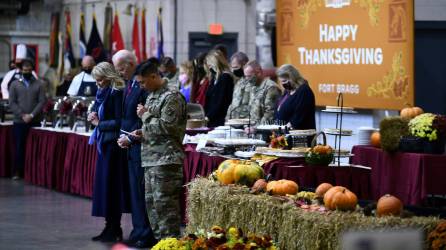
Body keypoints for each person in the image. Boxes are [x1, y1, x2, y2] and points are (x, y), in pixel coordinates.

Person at [130, 61, 186, 240]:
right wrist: (141, 132)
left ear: (154, 76)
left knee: (166, 211)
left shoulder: (172, 96)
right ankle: (161, 244)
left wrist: (145, 116)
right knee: (153, 208)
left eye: (143, 82)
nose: (141, 86)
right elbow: (153, 127)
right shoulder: (152, 95)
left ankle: (170, 244)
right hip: (151, 159)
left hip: (166, 161)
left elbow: (168, 127)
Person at [113, 50, 157, 248]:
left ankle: (145, 233)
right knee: (134, 194)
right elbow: (126, 116)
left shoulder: (142, 87)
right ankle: (137, 230)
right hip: (130, 143)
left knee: (141, 194)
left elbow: (143, 119)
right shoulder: (129, 85)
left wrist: (130, 138)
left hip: (140, 145)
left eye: (121, 68)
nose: (119, 72)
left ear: (131, 64)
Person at [88, 62, 129, 242]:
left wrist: (99, 124)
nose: (97, 83)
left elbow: (121, 122)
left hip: (113, 146)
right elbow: (99, 112)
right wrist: (92, 115)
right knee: (105, 188)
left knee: (112, 188)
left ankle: (114, 227)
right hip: (104, 144)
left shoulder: (117, 92)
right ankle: (109, 226)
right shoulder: (102, 93)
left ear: (108, 77)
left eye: (100, 80)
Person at [8, 58, 45, 179]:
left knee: (35, 148)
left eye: (29, 70)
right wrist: (22, 115)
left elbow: (41, 101)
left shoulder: (39, 84)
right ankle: (18, 171)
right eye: (24, 70)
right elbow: (12, 102)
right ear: (20, 70)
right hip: (19, 121)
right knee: (19, 147)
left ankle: (34, 172)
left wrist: (32, 115)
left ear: (32, 70)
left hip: (35, 121)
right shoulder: (14, 84)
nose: (27, 72)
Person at [275, 64, 316, 129]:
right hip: (282, 134)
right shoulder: (287, 91)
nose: (283, 84)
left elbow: (300, 115)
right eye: (281, 82)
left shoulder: (304, 91)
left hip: (299, 136)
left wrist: (285, 128)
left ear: (293, 77)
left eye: (285, 81)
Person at [244, 60, 281, 125]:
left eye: (249, 76)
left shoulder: (271, 87)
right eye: (245, 76)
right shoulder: (253, 86)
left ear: (259, 73)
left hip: (266, 131)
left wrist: (256, 128)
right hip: (253, 130)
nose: (247, 79)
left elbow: (270, 113)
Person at [204, 50, 234, 127]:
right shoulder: (214, 78)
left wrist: (208, 117)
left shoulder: (225, 77)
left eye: (210, 63)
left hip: (219, 119)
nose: (208, 65)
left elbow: (221, 101)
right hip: (211, 118)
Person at [225, 52, 250, 120]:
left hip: (247, 122)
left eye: (236, 67)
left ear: (244, 64)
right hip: (235, 121)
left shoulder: (253, 82)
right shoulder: (238, 82)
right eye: (232, 68)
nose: (234, 70)